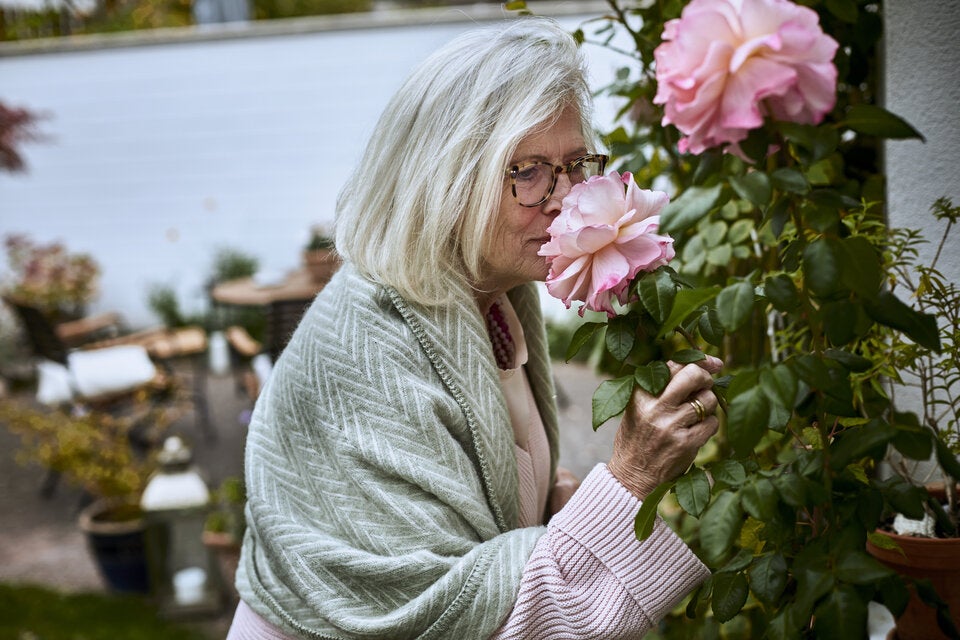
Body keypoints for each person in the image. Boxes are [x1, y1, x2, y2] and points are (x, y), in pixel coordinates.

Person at [227, 16, 720, 640]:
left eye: (575, 166)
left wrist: (557, 507)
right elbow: (452, 617)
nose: (566, 198)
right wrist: (630, 479)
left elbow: (491, 522)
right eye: (529, 171)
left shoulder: (491, 301)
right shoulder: (368, 350)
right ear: (447, 180)